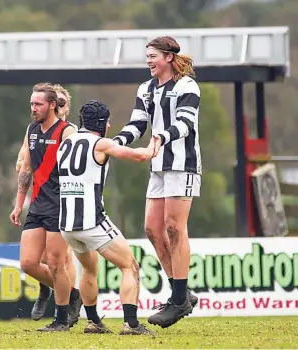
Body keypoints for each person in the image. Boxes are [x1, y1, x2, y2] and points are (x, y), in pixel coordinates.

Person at [113, 36, 201, 328]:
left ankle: (177, 300)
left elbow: (185, 124)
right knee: (152, 229)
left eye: (153, 56)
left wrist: (160, 137)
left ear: (168, 57)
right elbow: (138, 124)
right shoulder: (146, 89)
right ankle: (182, 292)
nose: (149, 61)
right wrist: (114, 143)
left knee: (175, 227)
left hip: (182, 165)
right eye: (147, 56)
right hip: (159, 166)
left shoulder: (187, 85)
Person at [57, 100, 155, 335]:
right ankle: (131, 324)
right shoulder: (100, 143)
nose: (110, 125)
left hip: (67, 225)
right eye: (108, 121)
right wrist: (154, 144)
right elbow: (139, 157)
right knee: (129, 266)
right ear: (101, 123)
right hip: (92, 222)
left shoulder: (65, 143)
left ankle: (93, 322)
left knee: (89, 270)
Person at [10, 82, 80, 331]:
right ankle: (72, 294)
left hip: (60, 206)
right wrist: (19, 205)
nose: (33, 108)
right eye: (32, 104)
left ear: (52, 105)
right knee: (28, 263)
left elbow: (80, 168)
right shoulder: (31, 130)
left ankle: (61, 319)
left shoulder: (68, 131)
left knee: (55, 263)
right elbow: (25, 169)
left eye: (38, 104)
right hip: (37, 206)